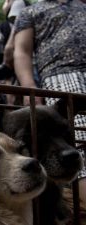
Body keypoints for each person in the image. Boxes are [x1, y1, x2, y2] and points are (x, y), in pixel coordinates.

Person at [14, 0, 86, 204]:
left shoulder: (82, 6)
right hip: (61, 75)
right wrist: (29, 86)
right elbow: (22, 51)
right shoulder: (31, 11)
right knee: (78, 143)